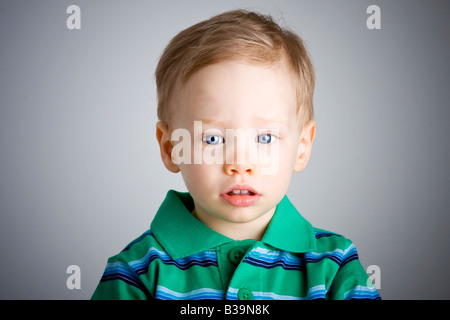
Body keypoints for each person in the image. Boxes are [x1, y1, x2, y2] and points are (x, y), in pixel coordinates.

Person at [91, 9, 380, 300]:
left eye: (265, 137)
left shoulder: (334, 266)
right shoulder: (136, 273)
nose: (240, 163)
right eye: (213, 138)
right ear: (171, 148)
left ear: (302, 147)